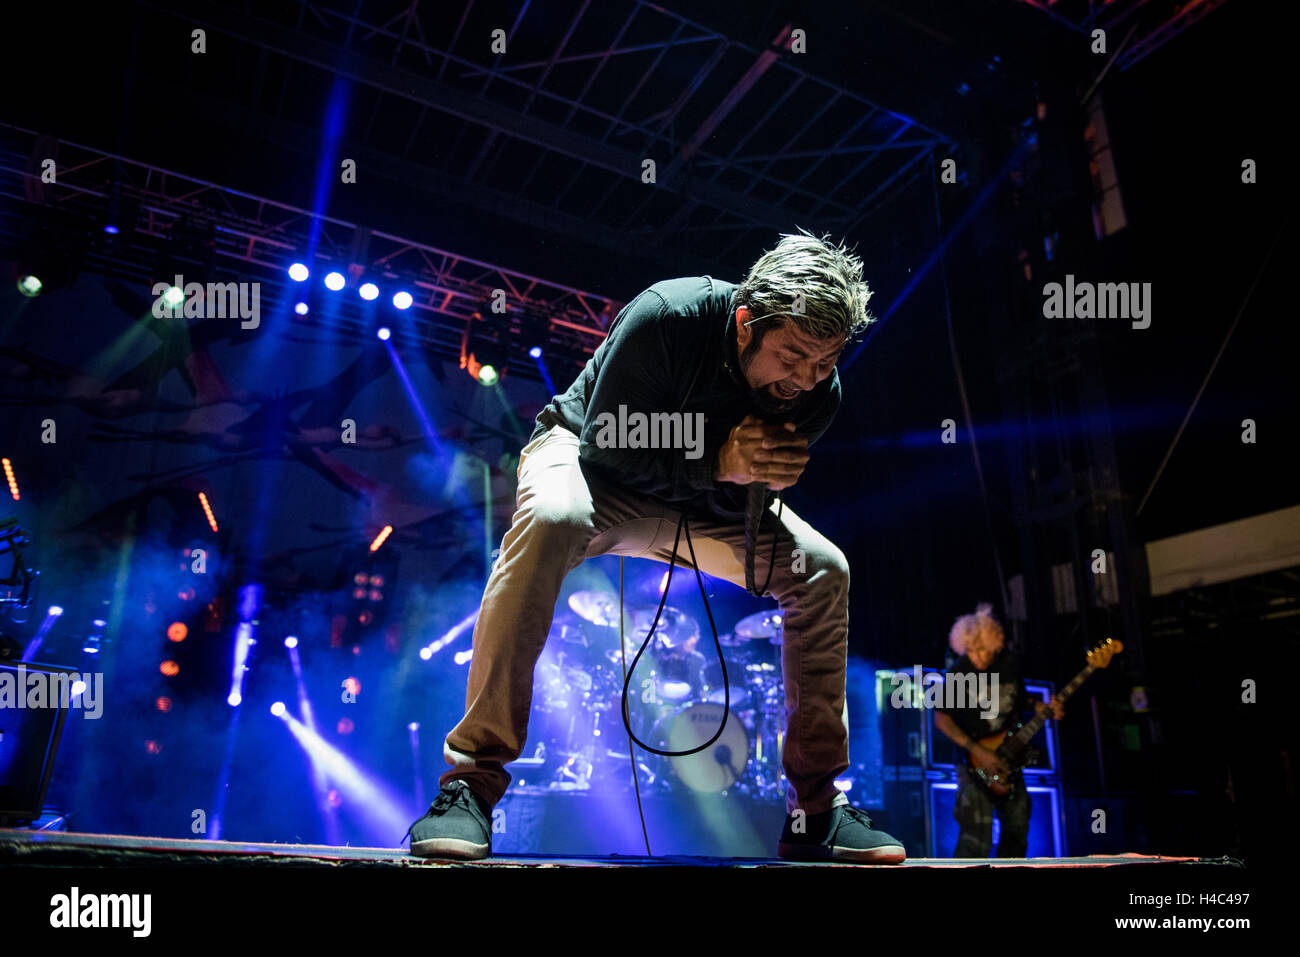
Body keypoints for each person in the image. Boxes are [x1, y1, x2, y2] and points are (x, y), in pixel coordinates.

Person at [404, 229, 905, 863]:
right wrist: (718, 460)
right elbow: (607, 445)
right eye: (794, 354)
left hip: (699, 500)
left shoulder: (815, 395)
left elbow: (730, 497)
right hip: (591, 460)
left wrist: (741, 477)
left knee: (822, 568)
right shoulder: (669, 315)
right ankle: (471, 784)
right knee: (554, 516)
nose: (805, 381)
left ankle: (816, 812)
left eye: (824, 363)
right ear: (747, 323)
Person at [933, 603, 1064, 857]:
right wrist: (978, 751)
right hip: (972, 764)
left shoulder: (1010, 664)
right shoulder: (959, 672)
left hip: (1010, 759)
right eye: (970, 650)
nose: (977, 656)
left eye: (982, 649)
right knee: (976, 833)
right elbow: (942, 720)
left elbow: (1020, 699)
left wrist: (1040, 707)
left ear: (995, 644)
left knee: (1017, 825)